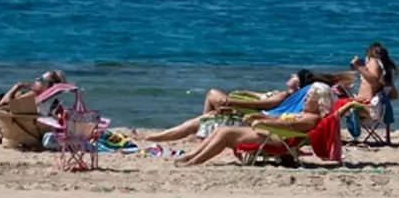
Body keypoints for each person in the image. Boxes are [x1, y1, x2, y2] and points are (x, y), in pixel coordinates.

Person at [140, 69, 351, 143]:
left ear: (300, 84)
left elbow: (265, 106)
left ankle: (153, 137)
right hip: (258, 121)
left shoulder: (288, 98)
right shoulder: (294, 101)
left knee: (197, 121)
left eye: (293, 76)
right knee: (201, 119)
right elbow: (262, 102)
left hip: (256, 123)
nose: (289, 77)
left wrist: (232, 103)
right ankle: (157, 137)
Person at [173, 82, 335, 166]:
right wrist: (255, 116)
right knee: (222, 129)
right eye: (306, 96)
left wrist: (260, 122)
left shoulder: (312, 119)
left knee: (225, 133)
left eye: (310, 97)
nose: (305, 99)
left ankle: (195, 161)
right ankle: (191, 156)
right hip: (271, 133)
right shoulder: (302, 114)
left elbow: (284, 126)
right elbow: (277, 119)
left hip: (278, 139)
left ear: (320, 101)